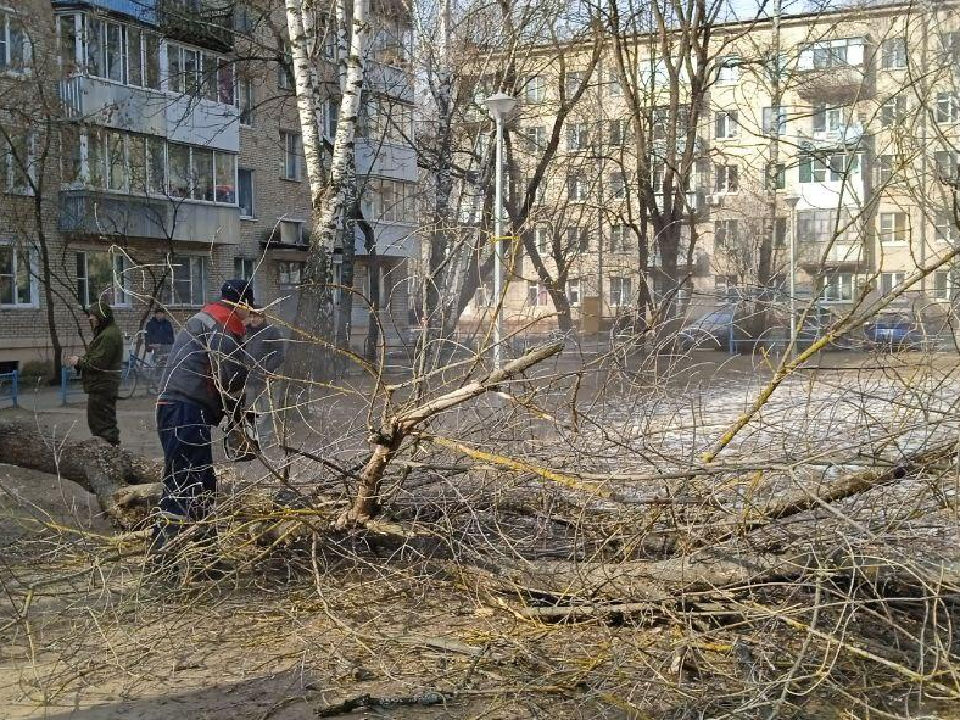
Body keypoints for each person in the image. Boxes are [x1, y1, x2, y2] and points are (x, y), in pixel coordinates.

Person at [151, 279, 253, 572]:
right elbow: (230, 377)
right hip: (185, 408)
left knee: (203, 483)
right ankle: (162, 564)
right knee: (183, 484)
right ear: (243, 303)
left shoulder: (206, 316)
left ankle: (206, 560)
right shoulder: (225, 322)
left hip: (180, 407)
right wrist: (240, 420)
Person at [67, 300, 123, 446]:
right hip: (102, 386)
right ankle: (109, 453)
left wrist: (78, 361)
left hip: (102, 386)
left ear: (102, 316)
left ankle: (111, 454)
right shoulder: (106, 333)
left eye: (93, 315)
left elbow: (97, 363)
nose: (90, 318)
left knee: (103, 424)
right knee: (100, 422)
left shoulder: (108, 336)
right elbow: (97, 358)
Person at [243, 310, 286, 444]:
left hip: (265, 378)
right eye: (251, 316)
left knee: (267, 409)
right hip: (248, 379)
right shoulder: (246, 332)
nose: (254, 319)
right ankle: (249, 435)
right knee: (247, 408)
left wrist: (267, 369)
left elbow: (279, 354)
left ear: (263, 318)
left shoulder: (272, 332)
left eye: (257, 316)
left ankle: (264, 437)